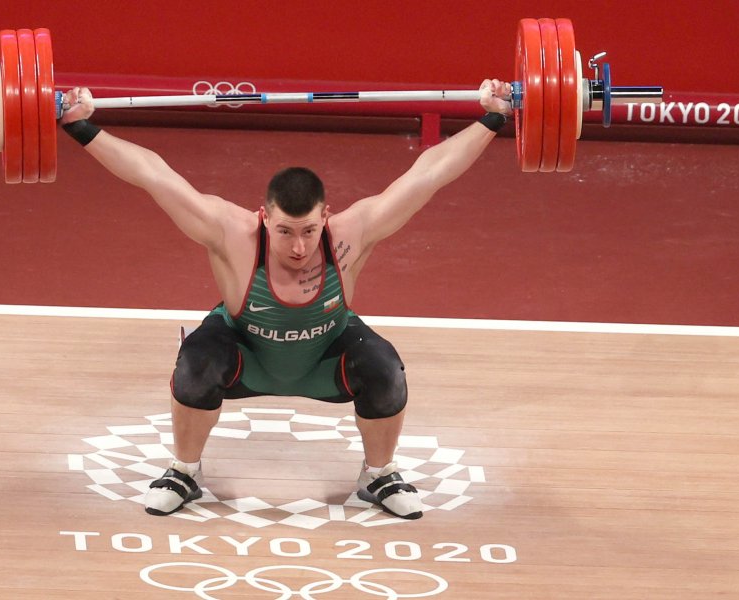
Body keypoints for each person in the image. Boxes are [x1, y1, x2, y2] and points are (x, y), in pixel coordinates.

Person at [60, 79, 513, 520]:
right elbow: (152, 174)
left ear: (326, 217)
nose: (298, 247)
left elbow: (428, 175)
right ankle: (184, 471)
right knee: (195, 361)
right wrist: (81, 127)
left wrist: (493, 119)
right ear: (264, 217)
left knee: (385, 369)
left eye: (309, 231)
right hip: (245, 357)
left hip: (325, 360)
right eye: (284, 231)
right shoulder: (231, 233)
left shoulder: (351, 235)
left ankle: (378, 475)